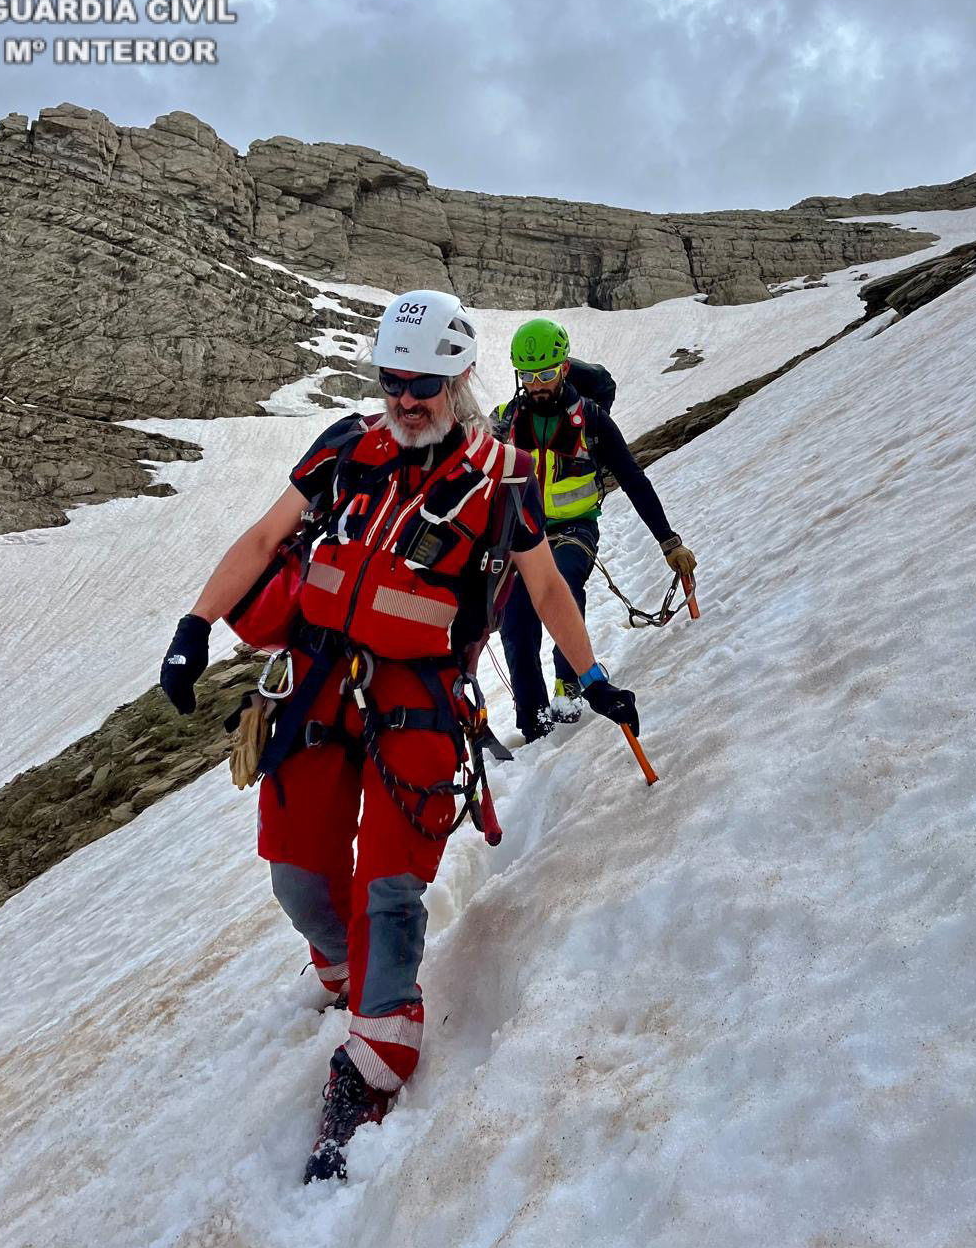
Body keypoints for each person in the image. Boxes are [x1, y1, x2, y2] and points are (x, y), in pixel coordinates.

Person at [158, 290, 638, 1184]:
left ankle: (376, 1060)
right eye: (391, 380)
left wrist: (597, 676)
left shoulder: (503, 478)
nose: (405, 398)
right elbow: (267, 536)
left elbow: (545, 590)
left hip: (417, 705)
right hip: (315, 689)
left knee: (389, 891)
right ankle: (340, 972)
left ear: (458, 378)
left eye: (422, 383)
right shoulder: (346, 447)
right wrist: (196, 624)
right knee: (298, 875)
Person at [492, 318, 696, 741]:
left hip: (574, 530)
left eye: (546, 374)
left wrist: (668, 542)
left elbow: (634, 479)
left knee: (563, 583)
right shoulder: (505, 421)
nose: (537, 385)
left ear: (564, 368)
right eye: (529, 376)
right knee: (515, 621)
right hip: (521, 536)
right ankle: (532, 718)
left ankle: (569, 683)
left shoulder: (592, 420)